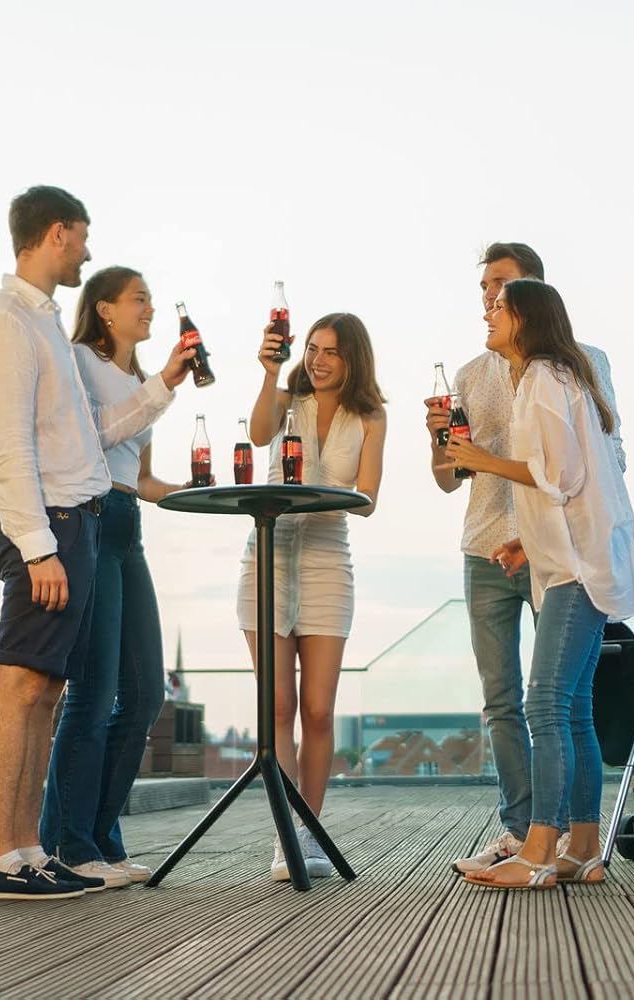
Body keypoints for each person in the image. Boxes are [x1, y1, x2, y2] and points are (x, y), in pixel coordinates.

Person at [441, 278, 634, 888]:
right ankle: (583, 848)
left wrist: (481, 461)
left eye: (499, 307)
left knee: (544, 703)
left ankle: (537, 851)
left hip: (577, 569)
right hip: (578, 560)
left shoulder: (542, 378)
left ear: (526, 319)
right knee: (575, 707)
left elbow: (558, 475)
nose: (488, 313)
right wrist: (527, 544)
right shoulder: (560, 376)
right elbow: (571, 481)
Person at [0, 185, 107, 899]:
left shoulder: (43, 322)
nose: (87, 250)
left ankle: (25, 850)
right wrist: (38, 546)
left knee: (45, 691)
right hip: (44, 525)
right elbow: (9, 445)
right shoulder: (6, 322)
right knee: (18, 682)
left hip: (72, 522)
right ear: (56, 232)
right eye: (82, 235)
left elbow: (68, 436)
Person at [37, 265, 195, 889]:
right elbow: (90, 439)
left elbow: (141, 477)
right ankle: (69, 842)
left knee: (147, 692)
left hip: (129, 525)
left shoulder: (137, 380)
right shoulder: (79, 361)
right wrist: (163, 386)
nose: (149, 309)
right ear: (104, 309)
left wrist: (192, 491)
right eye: (139, 299)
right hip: (93, 521)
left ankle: (98, 836)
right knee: (94, 692)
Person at [241, 312, 387, 880]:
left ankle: (310, 832)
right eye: (313, 349)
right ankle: (284, 835)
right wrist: (268, 373)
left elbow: (368, 498)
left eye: (331, 352)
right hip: (268, 560)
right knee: (277, 707)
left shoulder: (370, 415)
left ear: (353, 360)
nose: (319, 361)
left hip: (328, 564)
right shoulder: (286, 400)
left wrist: (312, 497)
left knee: (319, 711)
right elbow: (258, 435)